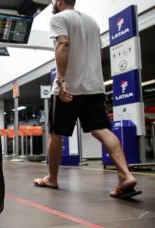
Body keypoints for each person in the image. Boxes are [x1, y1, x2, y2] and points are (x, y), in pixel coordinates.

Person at [34, 0, 142, 199]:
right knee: (101, 129)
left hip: (70, 87)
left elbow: (63, 44)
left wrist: (61, 80)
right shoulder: (92, 22)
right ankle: (125, 175)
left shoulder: (59, 18)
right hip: (94, 85)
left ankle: (52, 178)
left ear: (58, 1)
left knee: (57, 133)